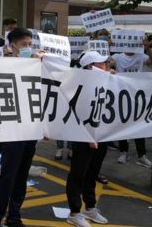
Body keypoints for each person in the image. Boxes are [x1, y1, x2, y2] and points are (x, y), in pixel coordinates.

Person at [0, 28, 44, 227]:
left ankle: (14, 216)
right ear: (12, 47)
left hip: (31, 130)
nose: (29, 48)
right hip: (12, 131)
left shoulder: (38, 66)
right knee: (8, 176)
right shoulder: (4, 66)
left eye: (30, 44)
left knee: (22, 176)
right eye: (24, 45)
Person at [65, 51, 110, 227]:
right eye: (101, 64)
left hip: (102, 135)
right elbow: (75, 114)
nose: (105, 66)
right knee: (78, 174)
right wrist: (87, 135)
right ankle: (74, 212)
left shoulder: (106, 82)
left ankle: (90, 207)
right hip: (83, 137)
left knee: (92, 173)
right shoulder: (79, 85)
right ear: (90, 67)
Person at [110, 36, 152, 168]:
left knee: (138, 126)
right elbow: (107, 63)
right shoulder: (118, 56)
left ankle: (141, 156)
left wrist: (148, 48)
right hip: (122, 95)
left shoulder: (141, 56)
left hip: (138, 96)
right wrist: (107, 47)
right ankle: (123, 152)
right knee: (123, 124)